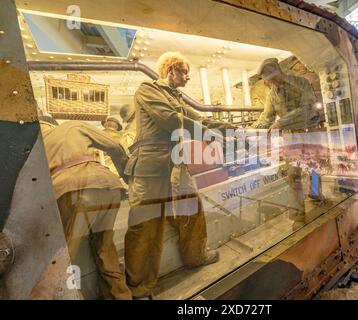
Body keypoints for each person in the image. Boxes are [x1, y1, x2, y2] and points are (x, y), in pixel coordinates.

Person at [124, 52, 235, 299]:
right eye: (184, 72)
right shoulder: (148, 89)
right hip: (151, 167)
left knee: (192, 207)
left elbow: (196, 117)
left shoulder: (174, 97)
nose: (187, 77)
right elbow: (172, 120)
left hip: (174, 164)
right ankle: (139, 287)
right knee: (146, 224)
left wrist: (228, 128)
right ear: (170, 70)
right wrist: (208, 134)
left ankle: (196, 256)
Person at [39, 117, 132, 300]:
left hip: (72, 192)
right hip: (107, 186)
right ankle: (121, 296)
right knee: (105, 246)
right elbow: (114, 146)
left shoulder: (33, 147)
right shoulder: (72, 126)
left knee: (66, 259)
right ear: (52, 124)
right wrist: (127, 176)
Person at [251, 58, 320, 229]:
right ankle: (298, 215)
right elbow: (266, 117)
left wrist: (281, 122)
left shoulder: (301, 83)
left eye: (272, 78)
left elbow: (307, 108)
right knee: (293, 175)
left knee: (315, 167)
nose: (270, 82)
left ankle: (316, 193)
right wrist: (251, 131)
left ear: (279, 72)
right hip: (291, 138)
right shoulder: (272, 94)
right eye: (267, 80)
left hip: (309, 133)